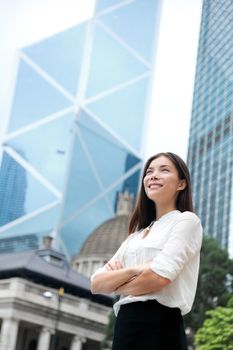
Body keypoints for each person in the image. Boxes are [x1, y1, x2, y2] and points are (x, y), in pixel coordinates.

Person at [91, 152, 203, 350]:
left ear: (181, 184)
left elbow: (160, 277)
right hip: (125, 325)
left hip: (160, 324)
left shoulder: (186, 221)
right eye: (149, 171)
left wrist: (115, 283)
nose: (153, 175)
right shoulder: (135, 237)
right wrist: (134, 271)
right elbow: (96, 283)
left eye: (164, 170)